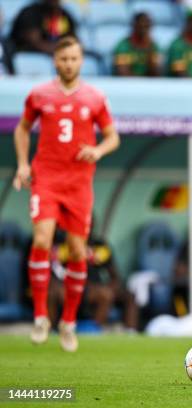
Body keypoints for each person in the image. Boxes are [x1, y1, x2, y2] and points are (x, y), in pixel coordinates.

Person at [12, 36, 120, 352]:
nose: (68, 64)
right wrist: (22, 164)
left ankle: (68, 322)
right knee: (43, 239)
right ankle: (41, 316)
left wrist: (97, 150)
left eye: (73, 59)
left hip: (78, 183)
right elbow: (22, 129)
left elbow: (113, 136)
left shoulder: (95, 97)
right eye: (63, 59)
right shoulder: (39, 94)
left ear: (81, 60)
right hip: (46, 178)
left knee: (76, 250)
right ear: (55, 62)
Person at [9, 0, 77, 54]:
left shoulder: (65, 15)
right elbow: (34, 42)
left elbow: (73, 40)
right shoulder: (30, 12)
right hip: (29, 59)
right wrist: (58, 49)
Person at [112, 12, 161, 77]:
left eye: (146, 26)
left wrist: (150, 55)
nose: (144, 30)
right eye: (140, 26)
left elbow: (157, 74)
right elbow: (122, 73)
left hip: (147, 85)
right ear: (134, 26)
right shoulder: (123, 46)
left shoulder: (154, 46)